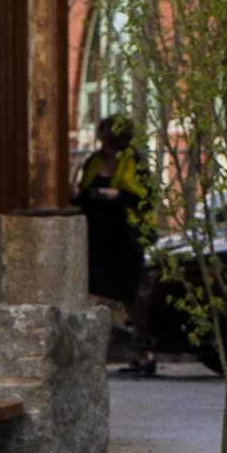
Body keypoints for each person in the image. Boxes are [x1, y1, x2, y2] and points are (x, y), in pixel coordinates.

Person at [76, 112, 157, 374]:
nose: (103, 144)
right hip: (97, 238)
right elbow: (83, 195)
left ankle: (145, 352)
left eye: (108, 140)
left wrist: (118, 195)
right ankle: (90, 352)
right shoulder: (92, 162)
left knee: (131, 296)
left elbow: (146, 200)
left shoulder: (135, 163)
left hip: (125, 238)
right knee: (92, 292)